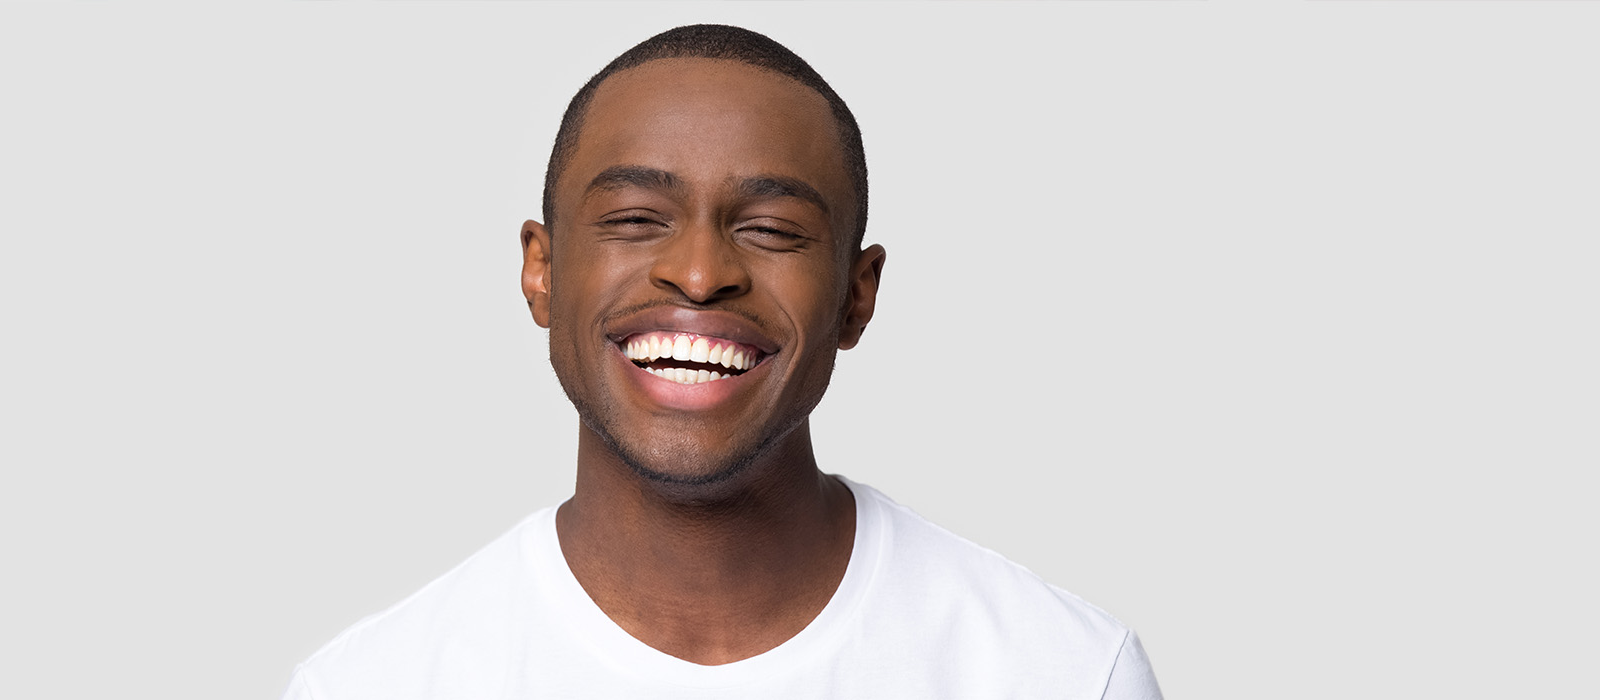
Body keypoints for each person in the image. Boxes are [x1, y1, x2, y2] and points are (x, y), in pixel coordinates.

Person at [283, 24, 1162, 699]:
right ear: (541, 271)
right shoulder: (375, 683)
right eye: (635, 219)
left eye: (773, 231)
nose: (700, 275)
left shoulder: (1062, 674)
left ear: (857, 295)